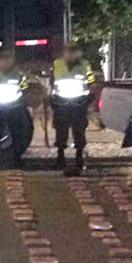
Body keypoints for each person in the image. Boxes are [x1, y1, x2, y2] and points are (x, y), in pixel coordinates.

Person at [50, 42, 96, 172]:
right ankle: (60, 158)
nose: (70, 54)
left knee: (79, 130)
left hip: (79, 102)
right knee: (61, 130)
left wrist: (91, 97)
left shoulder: (85, 64)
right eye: (68, 51)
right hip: (61, 101)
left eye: (73, 51)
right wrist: (50, 98)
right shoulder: (57, 64)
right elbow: (51, 82)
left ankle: (79, 158)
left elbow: (91, 81)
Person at [0, 49, 29, 168]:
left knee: (16, 135)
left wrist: (21, 101)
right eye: (3, 59)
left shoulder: (18, 74)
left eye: (8, 59)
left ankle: (16, 159)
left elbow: (24, 88)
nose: (5, 62)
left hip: (13, 107)